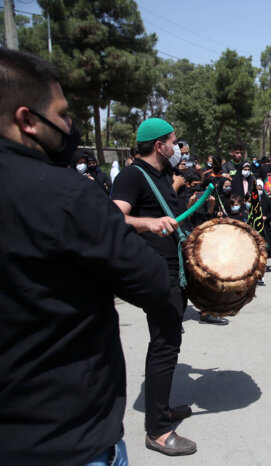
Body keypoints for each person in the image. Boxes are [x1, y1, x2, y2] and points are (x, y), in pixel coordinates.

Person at [0, 48, 174, 466]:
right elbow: (149, 281)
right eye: (61, 114)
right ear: (27, 120)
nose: (69, 125)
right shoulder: (66, 193)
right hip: (65, 435)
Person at [112, 118, 198, 456]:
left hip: (173, 268)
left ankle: (161, 410)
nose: (177, 147)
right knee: (164, 344)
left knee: (170, 341)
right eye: (173, 141)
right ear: (159, 145)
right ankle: (158, 431)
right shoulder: (131, 175)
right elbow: (114, 216)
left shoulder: (161, 175)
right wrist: (147, 223)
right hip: (156, 272)